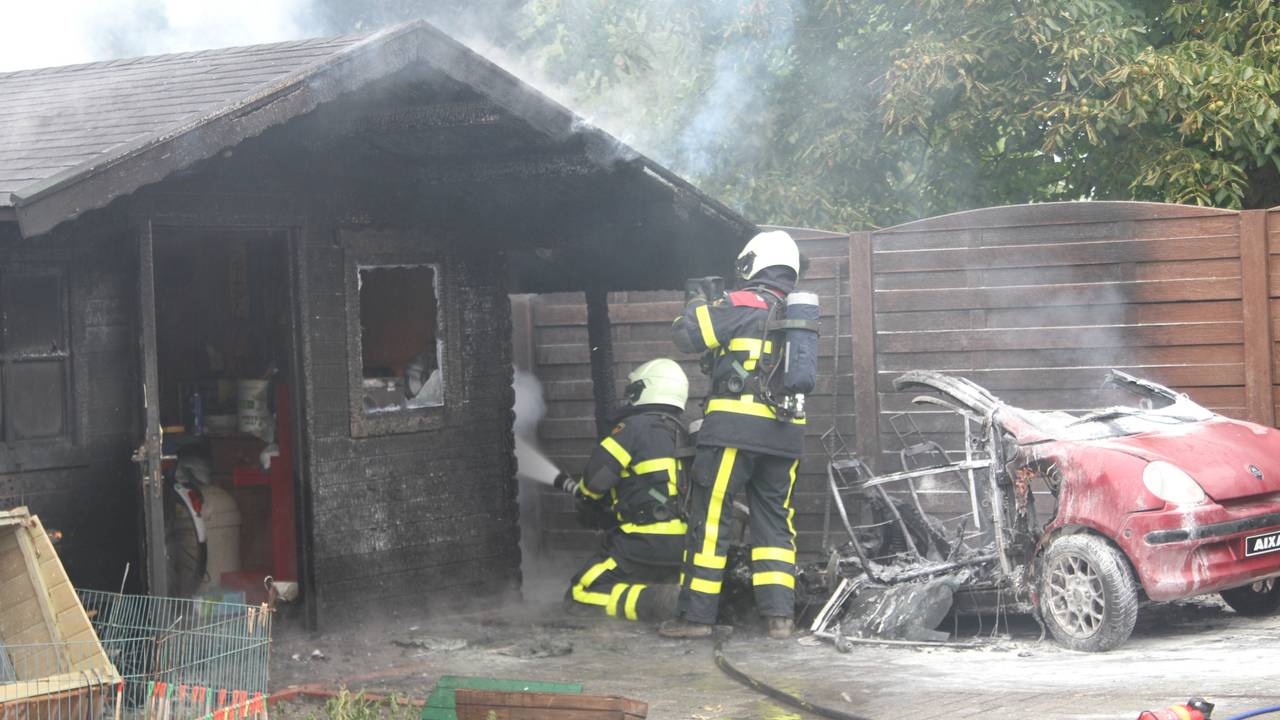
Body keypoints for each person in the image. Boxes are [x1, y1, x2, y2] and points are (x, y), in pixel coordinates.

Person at [660, 230, 807, 639]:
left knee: (710, 521)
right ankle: (780, 620)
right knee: (776, 526)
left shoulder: (743, 303)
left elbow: (687, 334)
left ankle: (696, 619)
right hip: (785, 437)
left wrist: (695, 302)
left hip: (734, 434)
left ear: (754, 262)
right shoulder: (797, 316)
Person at [558, 358, 692, 622]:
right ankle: (666, 595)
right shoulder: (683, 433)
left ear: (646, 389)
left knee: (580, 595)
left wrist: (587, 499)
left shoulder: (631, 430)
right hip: (685, 547)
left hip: (641, 544)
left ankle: (650, 602)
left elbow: (594, 484)